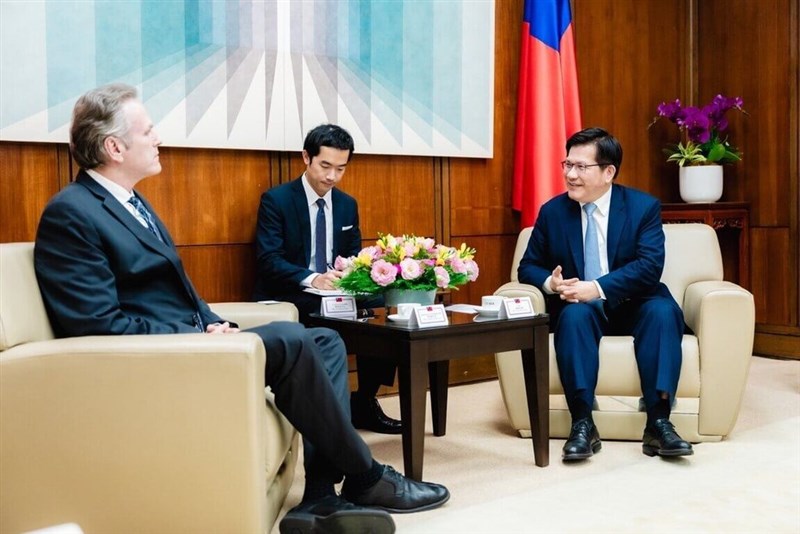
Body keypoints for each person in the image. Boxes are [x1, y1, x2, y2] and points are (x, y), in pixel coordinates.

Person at [33, 83, 449, 534]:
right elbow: (95, 324)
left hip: (192, 342)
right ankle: (368, 477)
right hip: (155, 361)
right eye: (149, 130)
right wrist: (194, 334)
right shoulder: (72, 213)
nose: (158, 139)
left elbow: (177, 291)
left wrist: (214, 321)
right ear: (115, 146)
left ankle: (320, 497)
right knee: (292, 336)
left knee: (325, 340)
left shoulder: (129, 202)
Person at [518, 127, 693, 461]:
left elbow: (649, 267)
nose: (570, 174)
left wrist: (595, 288)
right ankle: (582, 423)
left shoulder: (642, 207)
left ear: (608, 171)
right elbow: (528, 267)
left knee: (663, 311)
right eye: (567, 164)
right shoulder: (553, 211)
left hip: (636, 300)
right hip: (581, 307)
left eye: (581, 167)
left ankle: (659, 422)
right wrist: (551, 285)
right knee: (573, 314)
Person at [252, 124, 402, 435]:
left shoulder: (347, 205)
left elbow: (353, 255)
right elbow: (269, 261)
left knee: (385, 310)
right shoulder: (276, 200)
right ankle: (331, 412)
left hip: (338, 290)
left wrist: (351, 273)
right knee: (323, 314)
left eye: (340, 168)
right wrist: (312, 278)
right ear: (306, 157)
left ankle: (364, 400)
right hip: (293, 291)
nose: (332, 176)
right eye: (325, 166)